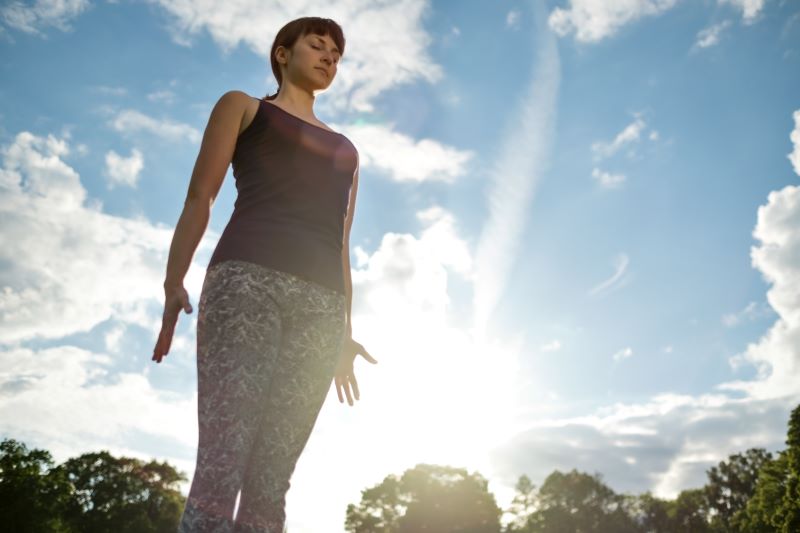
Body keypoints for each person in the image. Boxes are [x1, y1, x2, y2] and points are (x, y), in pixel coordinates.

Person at [150, 16, 377, 532]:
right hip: (245, 285)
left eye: (336, 54)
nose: (328, 57)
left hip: (320, 310)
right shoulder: (243, 107)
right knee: (223, 461)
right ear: (282, 54)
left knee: (272, 477)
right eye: (317, 46)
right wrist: (173, 282)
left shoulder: (347, 151)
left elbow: (341, 244)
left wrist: (344, 334)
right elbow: (199, 197)